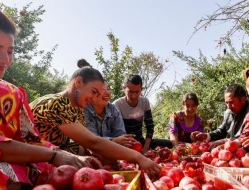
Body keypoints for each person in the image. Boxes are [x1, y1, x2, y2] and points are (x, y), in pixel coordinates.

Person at [0, 2, 101, 190]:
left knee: (50, 168)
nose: (4, 60)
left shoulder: (13, 94)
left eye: (9, 51)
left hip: (13, 169)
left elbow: (32, 140)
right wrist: (52, 156)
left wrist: (65, 157)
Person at [30, 61, 160, 177]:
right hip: (31, 155)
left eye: (97, 94)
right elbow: (93, 142)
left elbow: (86, 146)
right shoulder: (58, 104)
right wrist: (137, 157)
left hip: (51, 152)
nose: (93, 98)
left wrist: (113, 162)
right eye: (93, 92)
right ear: (78, 82)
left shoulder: (77, 109)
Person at [113, 74, 172, 153]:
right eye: (130, 91)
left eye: (137, 92)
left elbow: (150, 127)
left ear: (141, 89)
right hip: (124, 144)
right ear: (124, 89)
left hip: (141, 141)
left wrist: (146, 148)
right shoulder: (117, 105)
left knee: (169, 143)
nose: (134, 96)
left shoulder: (144, 102)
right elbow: (116, 132)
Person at [191, 84, 249, 149]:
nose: (229, 106)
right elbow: (222, 130)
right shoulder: (228, 112)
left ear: (243, 100)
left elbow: (248, 138)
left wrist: (226, 141)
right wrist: (207, 136)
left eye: (231, 102)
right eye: (226, 103)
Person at [84, 78, 136, 147]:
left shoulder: (113, 109)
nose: (107, 93)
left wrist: (123, 140)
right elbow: (91, 141)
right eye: (103, 89)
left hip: (112, 151)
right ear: (92, 92)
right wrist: (114, 141)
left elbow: (121, 137)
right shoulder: (84, 110)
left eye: (108, 89)